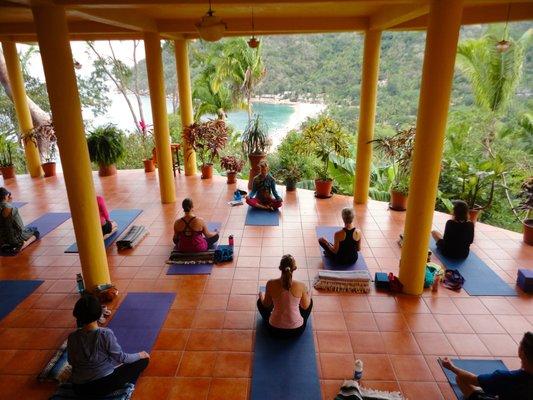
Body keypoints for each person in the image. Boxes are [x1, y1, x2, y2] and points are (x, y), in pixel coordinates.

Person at [67, 294, 150, 397]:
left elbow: (71, 361)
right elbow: (122, 358)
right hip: (104, 385)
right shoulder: (105, 334)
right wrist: (140, 355)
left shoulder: (72, 337)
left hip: (79, 389)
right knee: (143, 361)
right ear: (99, 314)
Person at [440, 331, 533, 400]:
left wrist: (451, 367)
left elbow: (473, 380)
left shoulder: (504, 378)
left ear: (522, 353)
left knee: (460, 378)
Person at [257, 254, 313, 338]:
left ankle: (268, 319)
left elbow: (266, 304)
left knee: (259, 302)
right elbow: (305, 307)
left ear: (280, 268)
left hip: (274, 330)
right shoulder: (301, 285)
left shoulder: (270, 284)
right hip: (296, 331)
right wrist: (309, 294)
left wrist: (261, 296)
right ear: (295, 268)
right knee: (309, 302)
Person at [0, 187, 39, 252]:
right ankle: (25, 244)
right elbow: (20, 228)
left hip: (2, 239)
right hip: (14, 239)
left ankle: (5, 245)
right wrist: (9, 204)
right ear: (5, 196)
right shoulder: (12, 209)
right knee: (36, 232)